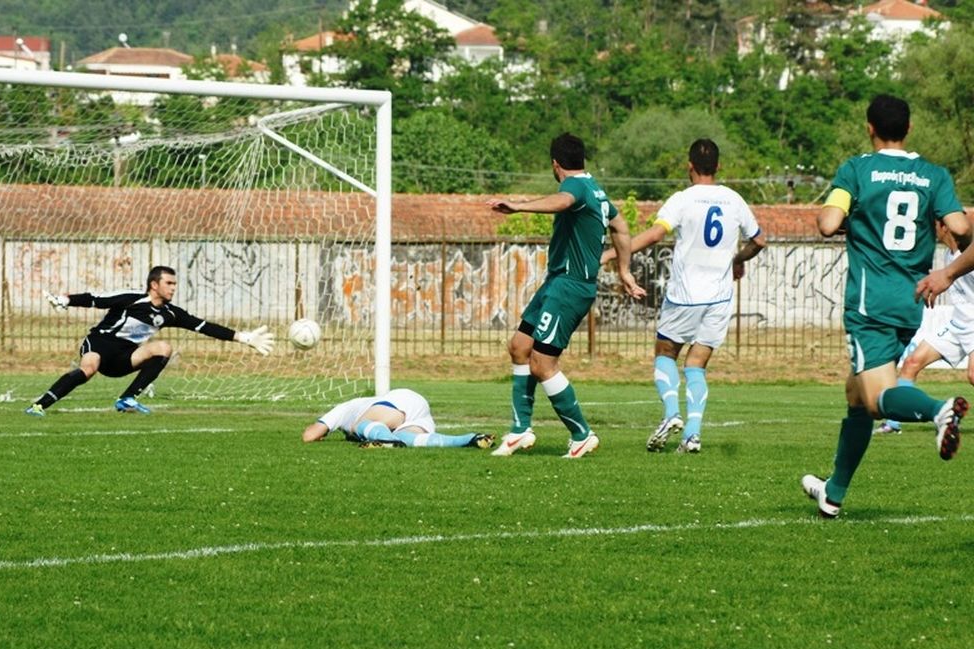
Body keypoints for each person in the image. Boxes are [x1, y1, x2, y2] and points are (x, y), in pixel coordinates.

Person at [802, 94, 973, 519]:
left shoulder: (857, 169)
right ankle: (834, 492)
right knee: (855, 397)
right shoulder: (933, 175)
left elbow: (826, 224)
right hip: (910, 302)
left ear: (869, 127)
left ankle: (939, 410)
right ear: (909, 129)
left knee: (877, 399)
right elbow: (960, 227)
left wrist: (850, 214)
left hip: (869, 303)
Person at [601, 138, 767, 454]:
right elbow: (759, 241)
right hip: (719, 298)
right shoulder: (734, 200)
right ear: (718, 167)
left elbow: (655, 234)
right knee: (696, 365)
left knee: (665, 354)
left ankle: (671, 414)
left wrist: (613, 253)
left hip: (685, 295)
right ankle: (692, 435)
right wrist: (737, 260)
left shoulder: (683, 199)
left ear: (689, 166)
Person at [486, 132, 644, 459]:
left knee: (543, 364)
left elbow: (564, 201)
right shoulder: (596, 189)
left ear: (556, 165)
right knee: (519, 347)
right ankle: (519, 431)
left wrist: (518, 206)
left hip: (569, 286)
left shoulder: (574, 187)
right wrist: (625, 271)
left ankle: (581, 434)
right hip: (557, 282)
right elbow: (622, 227)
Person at [24, 265, 274, 416]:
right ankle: (39, 405)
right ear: (154, 285)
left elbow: (204, 327)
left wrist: (244, 337)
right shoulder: (131, 299)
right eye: (169, 283)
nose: (173, 288)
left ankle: (128, 399)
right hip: (100, 344)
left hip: (125, 358)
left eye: (175, 283)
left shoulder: (171, 313)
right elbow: (94, 298)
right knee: (88, 370)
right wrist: (65, 299)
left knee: (164, 348)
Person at [875, 220, 974, 434]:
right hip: (959, 323)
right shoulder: (950, 254)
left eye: (934, 224)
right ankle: (893, 423)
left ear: (945, 226)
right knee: (912, 362)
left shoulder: (968, 252)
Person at [301, 388, 494, 449]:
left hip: (396, 401)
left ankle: (387, 441)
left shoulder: (345, 408)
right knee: (414, 440)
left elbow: (309, 436)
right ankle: (470, 439)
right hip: (418, 405)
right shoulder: (364, 403)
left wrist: (319, 431)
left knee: (359, 425)